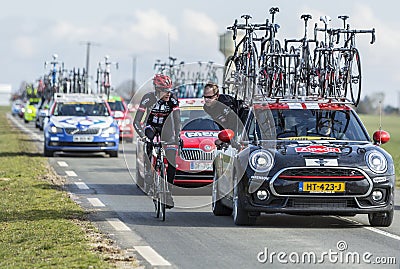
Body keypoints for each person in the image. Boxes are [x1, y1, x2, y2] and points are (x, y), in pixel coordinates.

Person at [133, 74, 181, 208]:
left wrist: (178, 136)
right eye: (164, 90)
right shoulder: (148, 98)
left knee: (172, 160)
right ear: (157, 89)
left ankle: (168, 194)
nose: (167, 93)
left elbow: (177, 120)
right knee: (148, 140)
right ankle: (149, 170)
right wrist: (142, 136)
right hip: (151, 127)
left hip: (167, 129)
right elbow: (136, 121)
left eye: (169, 90)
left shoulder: (172, 99)